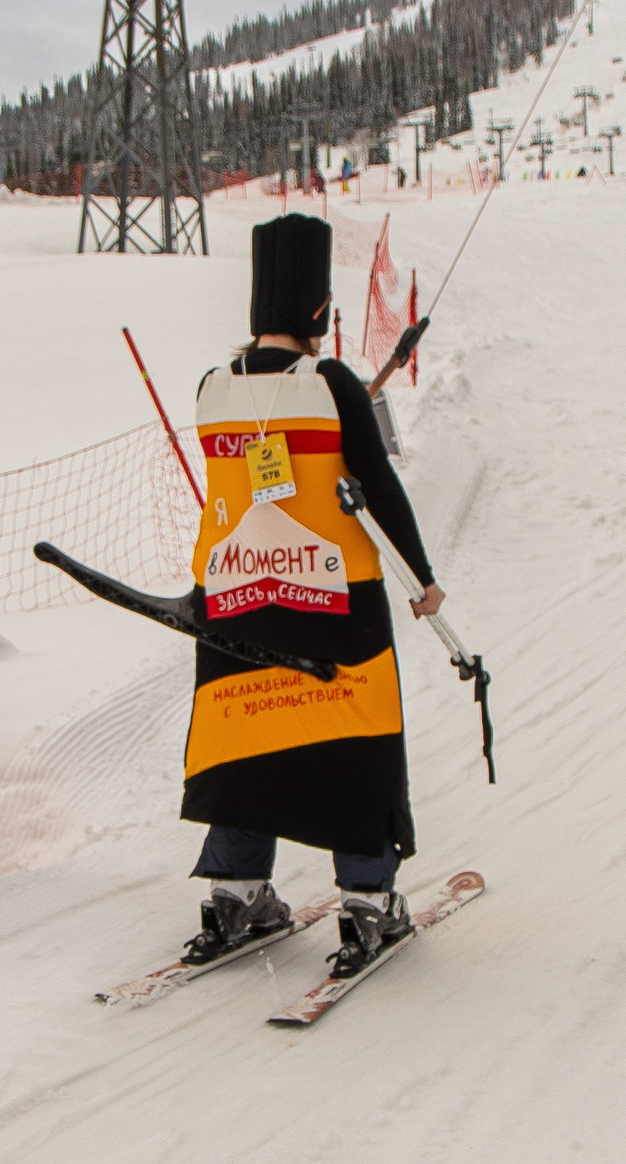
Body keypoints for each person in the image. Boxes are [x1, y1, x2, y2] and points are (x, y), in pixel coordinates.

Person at [178, 213, 447, 978]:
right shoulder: (331, 385)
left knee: (245, 737)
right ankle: (366, 902)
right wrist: (422, 580)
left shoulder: (212, 386)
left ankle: (235, 893)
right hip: (334, 600)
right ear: (320, 310)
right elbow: (377, 487)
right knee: (354, 743)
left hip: (235, 597)